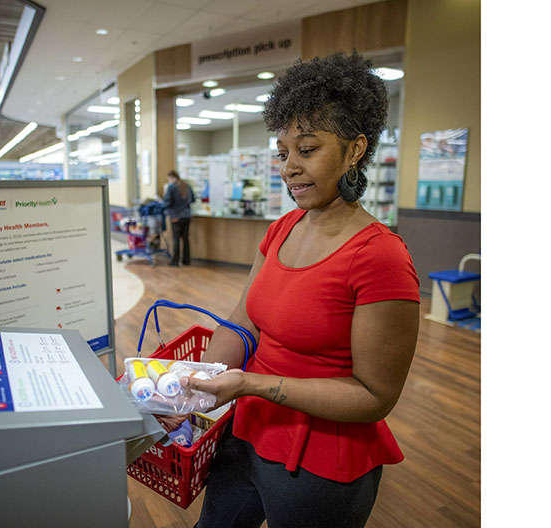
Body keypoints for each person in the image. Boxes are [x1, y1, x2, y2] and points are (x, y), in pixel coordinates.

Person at [175, 52, 421, 527]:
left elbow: (374, 396)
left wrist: (251, 383)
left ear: (354, 150)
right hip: (246, 429)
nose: (289, 167)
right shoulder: (282, 228)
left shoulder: (380, 257)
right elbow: (242, 321)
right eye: (283, 152)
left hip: (321, 463)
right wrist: (193, 390)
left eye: (307, 150)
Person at [162, 170, 195, 266]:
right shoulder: (187, 186)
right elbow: (193, 199)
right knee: (185, 239)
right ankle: (186, 260)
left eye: (169, 178)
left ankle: (175, 261)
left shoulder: (171, 188)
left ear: (172, 177)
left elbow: (167, 202)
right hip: (187, 216)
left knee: (176, 239)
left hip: (176, 216)